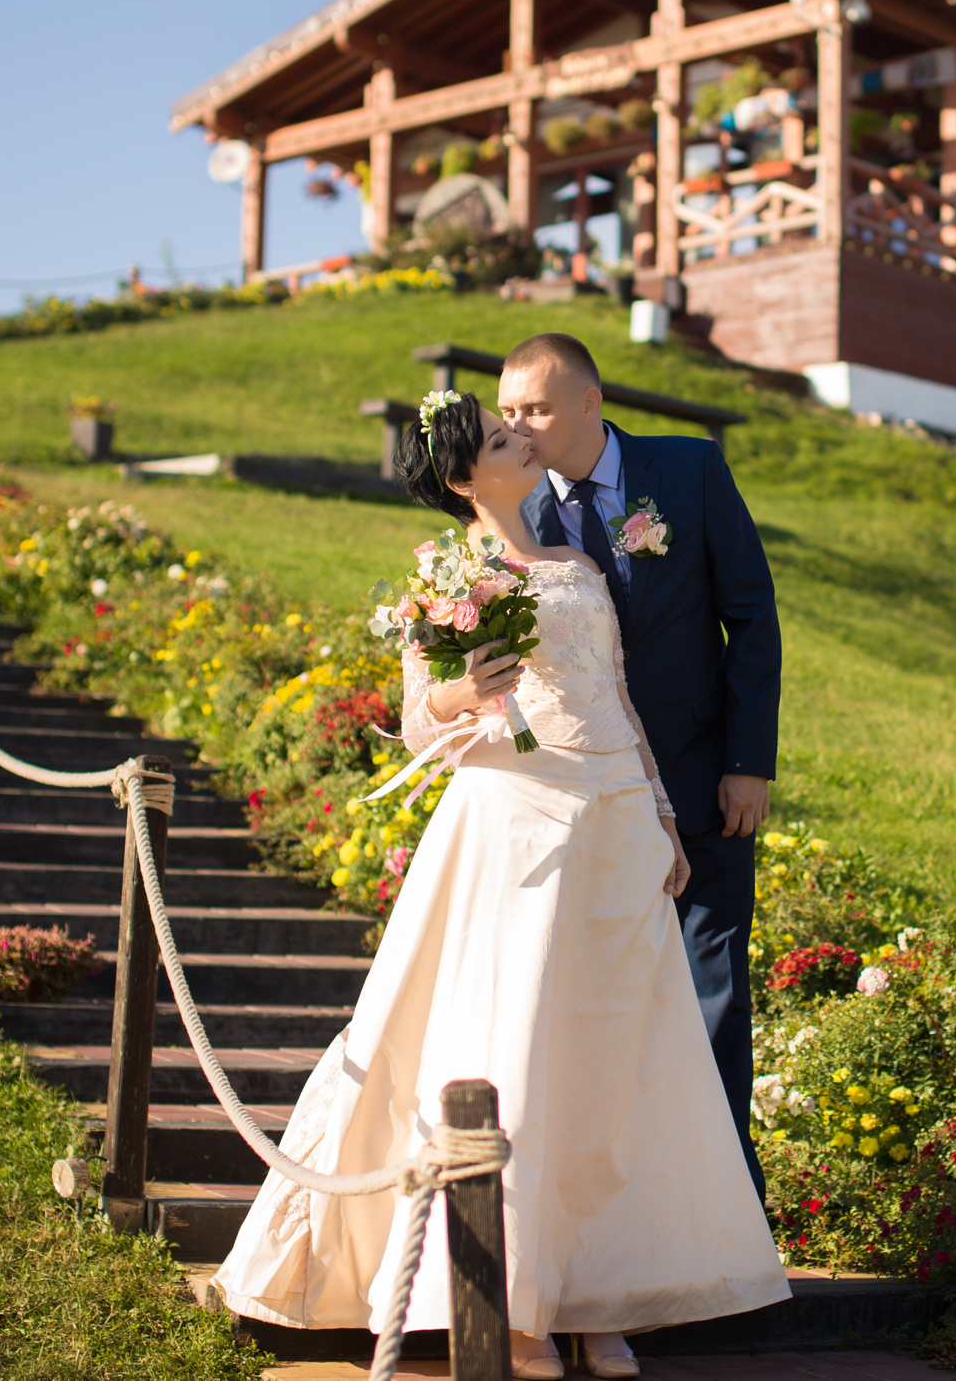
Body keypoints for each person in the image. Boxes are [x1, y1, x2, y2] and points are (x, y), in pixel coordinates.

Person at [213, 391, 789, 1381]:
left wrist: (660, 814)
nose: (520, 437)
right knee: (519, 1040)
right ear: (462, 478)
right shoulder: (450, 576)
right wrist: (462, 687)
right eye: (496, 436)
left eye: (515, 425)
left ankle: (599, 1293)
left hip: (615, 818)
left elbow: (616, 696)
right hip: (519, 817)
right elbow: (421, 715)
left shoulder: (576, 563)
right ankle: (516, 1301)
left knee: (614, 1051)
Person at [496, 333, 780, 1195]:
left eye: (537, 408)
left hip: (704, 780)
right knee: (600, 1004)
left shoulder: (690, 471)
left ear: (590, 402)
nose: (520, 427)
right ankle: (616, 1203)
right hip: (585, 800)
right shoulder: (513, 515)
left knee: (712, 992)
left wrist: (748, 761)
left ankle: (727, 1203)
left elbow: (751, 615)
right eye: (508, 412)